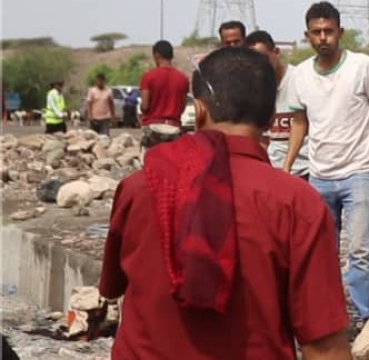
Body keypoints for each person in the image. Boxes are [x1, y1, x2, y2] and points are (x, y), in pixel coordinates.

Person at [98, 47, 352, 359]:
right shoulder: (297, 203)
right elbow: (324, 346)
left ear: (200, 110)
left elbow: (111, 287)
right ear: (271, 119)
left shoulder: (141, 186)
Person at [286, 2, 369, 324]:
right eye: (316, 32)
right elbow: (299, 123)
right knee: (322, 252)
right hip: (319, 176)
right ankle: (329, 315)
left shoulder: (362, 66)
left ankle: (364, 315)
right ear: (307, 36)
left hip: (359, 172)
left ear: (340, 32)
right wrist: (286, 168)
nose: (323, 37)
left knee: (360, 250)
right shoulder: (300, 75)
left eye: (328, 31)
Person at [245, 30, 310, 180]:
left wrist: (288, 166)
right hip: (275, 172)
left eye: (263, 58)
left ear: (276, 52)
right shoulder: (255, 90)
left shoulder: (299, 78)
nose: (259, 65)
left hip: (307, 169)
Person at [139, 40, 190, 149]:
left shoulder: (148, 77)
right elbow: (182, 107)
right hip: (174, 127)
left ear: (156, 56)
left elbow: (145, 106)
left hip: (153, 127)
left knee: (149, 163)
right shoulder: (183, 79)